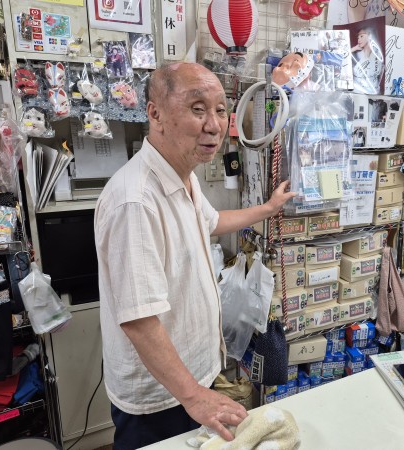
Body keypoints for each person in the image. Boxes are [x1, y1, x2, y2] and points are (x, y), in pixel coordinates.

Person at [94, 62, 296, 450]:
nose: (214, 125)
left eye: (220, 110)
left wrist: (268, 208)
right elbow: (138, 320)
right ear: (155, 113)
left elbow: (213, 220)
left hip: (189, 379)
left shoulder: (182, 177)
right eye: (197, 108)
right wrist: (194, 396)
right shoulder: (136, 201)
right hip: (160, 396)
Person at [351, 27, 384, 94]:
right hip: (357, 92)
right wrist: (353, 49)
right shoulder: (356, 54)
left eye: (361, 36)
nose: (359, 40)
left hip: (373, 92)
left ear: (370, 36)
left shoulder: (378, 54)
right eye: (358, 37)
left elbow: (379, 74)